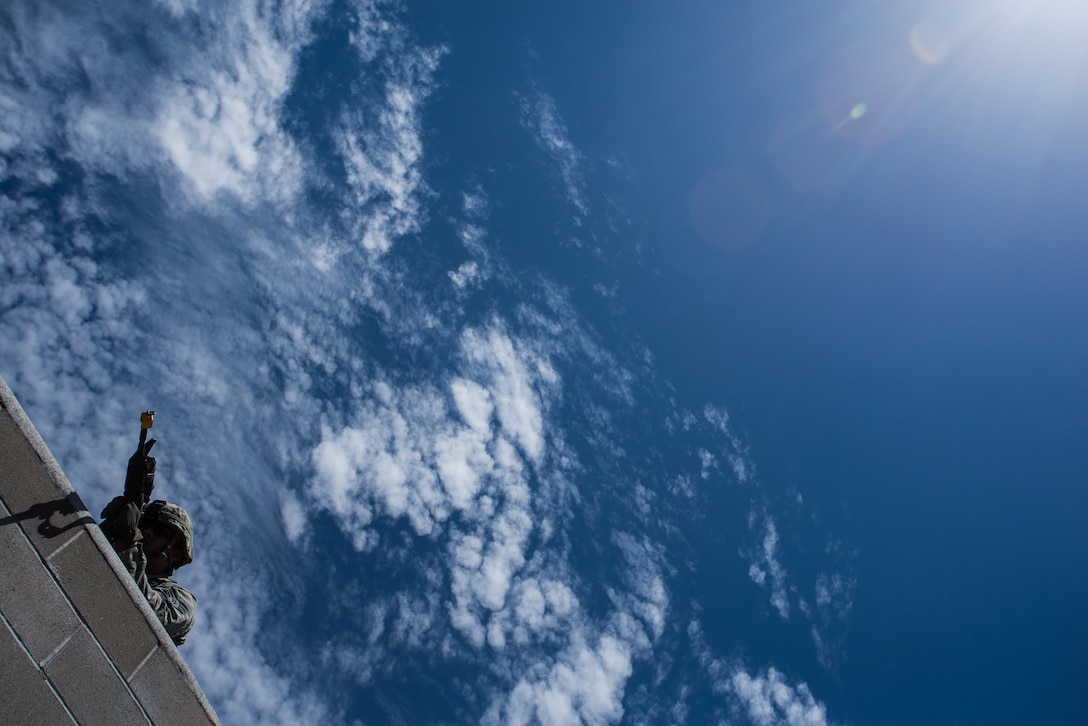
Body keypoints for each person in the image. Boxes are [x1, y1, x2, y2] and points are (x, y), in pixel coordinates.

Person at [101, 498, 197, 646]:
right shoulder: (112, 553)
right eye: (144, 525)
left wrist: (127, 548)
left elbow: (152, 618)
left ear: (176, 553)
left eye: (159, 531)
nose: (147, 532)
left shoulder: (181, 598)